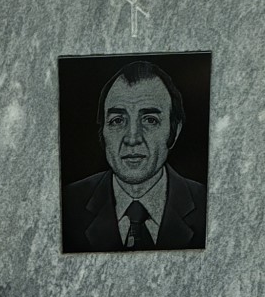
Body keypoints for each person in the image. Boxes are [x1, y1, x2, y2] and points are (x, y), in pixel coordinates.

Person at [62, 59, 207, 253]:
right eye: (117, 120)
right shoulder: (67, 204)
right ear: (102, 132)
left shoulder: (208, 204)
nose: (132, 138)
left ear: (174, 132)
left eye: (150, 120)